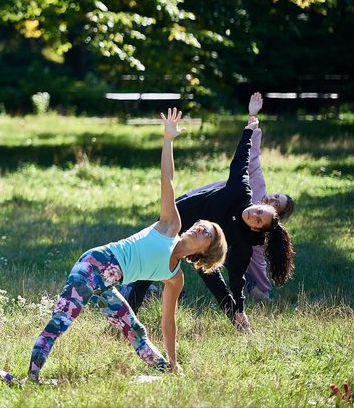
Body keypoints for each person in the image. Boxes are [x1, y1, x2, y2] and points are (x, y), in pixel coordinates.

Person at [28, 109, 227, 380]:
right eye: (203, 224)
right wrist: (168, 139)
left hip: (107, 283)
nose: (201, 227)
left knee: (135, 330)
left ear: (206, 251)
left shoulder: (175, 277)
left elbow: (168, 322)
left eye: (208, 233)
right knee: (62, 320)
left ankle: (168, 371)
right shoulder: (171, 226)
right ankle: (31, 379)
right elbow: (167, 181)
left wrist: (175, 360)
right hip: (94, 264)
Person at [123, 98, 295, 332]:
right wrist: (249, 128)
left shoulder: (244, 242)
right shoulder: (240, 191)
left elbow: (236, 278)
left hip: (204, 241)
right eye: (258, 209)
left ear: (256, 228)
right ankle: (124, 321)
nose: (253, 213)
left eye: (257, 219)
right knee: (151, 264)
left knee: (216, 282)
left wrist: (240, 308)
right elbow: (242, 162)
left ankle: (240, 325)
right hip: (180, 218)